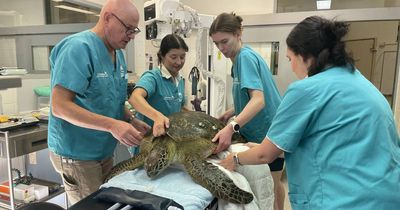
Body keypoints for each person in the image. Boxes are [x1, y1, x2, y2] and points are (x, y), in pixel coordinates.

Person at [219, 16, 400, 210]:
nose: (291, 66)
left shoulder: (307, 90)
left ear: (306, 56)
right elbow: (330, 140)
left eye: (290, 59)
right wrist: (265, 147)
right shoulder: (360, 83)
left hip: (343, 201)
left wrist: (234, 159)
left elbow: (265, 156)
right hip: (387, 196)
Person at [48, 0, 150, 204]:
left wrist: (129, 120)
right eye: (128, 29)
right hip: (77, 155)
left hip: (103, 151)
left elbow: (110, 99)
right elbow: (59, 106)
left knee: (108, 203)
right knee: (93, 206)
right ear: (108, 18)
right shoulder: (78, 48)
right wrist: (113, 125)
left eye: (134, 30)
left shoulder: (118, 55)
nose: (131, 36)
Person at [209, 12, 285, 210]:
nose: (221, 48)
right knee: (275, 186)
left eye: (224, 41)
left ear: (238, 34)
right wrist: (229, 113)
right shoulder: (238, 60)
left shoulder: (245, 58)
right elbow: (250, 96)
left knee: (271, 186)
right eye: (217, 44)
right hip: (262, 132)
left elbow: (258, 101)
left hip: (267, 133)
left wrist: (231, 127)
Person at [128, 34, 188, 139]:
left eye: (182, 57)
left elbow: (179, 108)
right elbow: (135, 98)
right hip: (149, 141)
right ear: (162, 56)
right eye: (173, 57)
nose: (179, 62)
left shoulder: (180, 80)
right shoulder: (153, 77)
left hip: (168, 141)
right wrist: (157, 117)